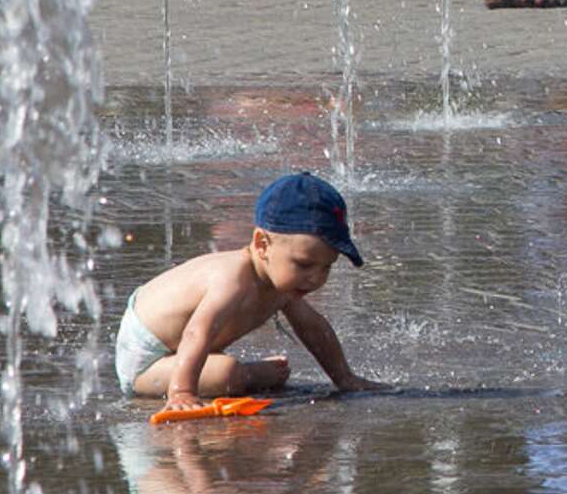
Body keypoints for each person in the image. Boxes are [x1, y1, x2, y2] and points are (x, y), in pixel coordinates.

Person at [115, 172, 386, 410]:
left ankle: (241, 373)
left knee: (224, 368)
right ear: (262, 244)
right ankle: (248, 374)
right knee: (227, 373)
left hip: (177, 350)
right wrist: (182, 392)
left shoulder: (282, 282)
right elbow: (197, 332)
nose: (315, 278)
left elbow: (313, 328)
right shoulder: (233, 279)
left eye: (327, 267)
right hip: (145, 362)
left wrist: (344, 379)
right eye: (304, 264)